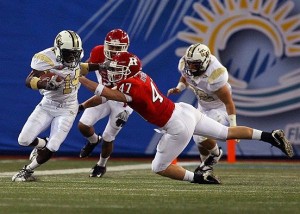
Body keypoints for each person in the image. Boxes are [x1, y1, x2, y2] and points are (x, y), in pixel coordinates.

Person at [79, 51, 294, 185]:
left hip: (176, 125)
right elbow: (111, 89)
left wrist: (81, 79)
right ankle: (270, 136)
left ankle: (198, 177)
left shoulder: (130, 87)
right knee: (226, 133)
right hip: (184, 111)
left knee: (159, 167)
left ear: (128, 71)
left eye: (119, 69)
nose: (115, 72)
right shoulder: (140, 76)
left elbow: (105, 93)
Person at [12, 30, 98, 182]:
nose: (72, 57)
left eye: (75, 53)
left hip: (68, 109)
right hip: (47, 105)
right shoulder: (45, 58)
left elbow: (82, 67)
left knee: (54, 146)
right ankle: (41, 143)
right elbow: (29, 80)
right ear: (58, 49)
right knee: (23, 140)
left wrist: (101, 66)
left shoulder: (75, 61)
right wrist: (43, 83)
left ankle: (27, 171)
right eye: (68, 53)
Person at [167, 43, 237, 175]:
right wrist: (179, 87)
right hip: (203, 106)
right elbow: (185, 76)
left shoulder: (216, 74)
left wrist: (233, 126)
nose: (191, 67)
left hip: (219, 108)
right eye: (190, 63)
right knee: (198, 140)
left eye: (195, 64)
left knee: (201, 137)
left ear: (205, 62)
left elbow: (228, 102)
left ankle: (216, 153)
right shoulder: (185, 65)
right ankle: (206, 168)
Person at [77, 29, 133, 178]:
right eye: (111, 46)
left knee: (109, 136)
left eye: (117, 48)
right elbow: (86, 67)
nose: (113, 51)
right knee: (83, 125)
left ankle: (101, 165)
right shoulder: (98, 52)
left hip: (122, 101)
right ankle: (94, 140)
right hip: (103, 93)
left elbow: (108, 95)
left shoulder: (129, 64)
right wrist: (76, 73)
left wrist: (82, 105)